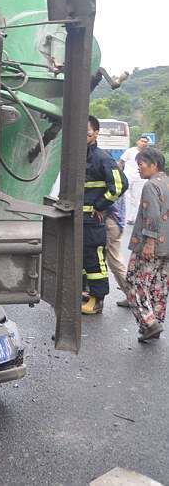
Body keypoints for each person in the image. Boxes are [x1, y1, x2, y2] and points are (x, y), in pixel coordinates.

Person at [82, 116, 129, 314]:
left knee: (95, 260)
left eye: (87, 132)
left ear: (96, 133)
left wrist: (100, 206)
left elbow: (120, 185)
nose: (83, 136)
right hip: (78, 220)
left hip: (93, 220)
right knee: (84, 260)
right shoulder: (78, 157)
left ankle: (97, 300)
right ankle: (86, 293)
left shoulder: (102, 158)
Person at [124, 148, 169, 342]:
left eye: (141, 164)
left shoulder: (151, 185)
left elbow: (152, 215)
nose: (139, 169)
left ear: (154, 164)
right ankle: (156, 320)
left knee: (134, 283)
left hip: (150, 245)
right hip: (166, 247)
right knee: (159, 285)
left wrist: (149, 242)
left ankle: (150, 324)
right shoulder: (167, 181)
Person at [104, 195, 133, 308]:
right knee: (114, 260)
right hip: (115, 221)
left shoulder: (112, 180)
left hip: (111, 221)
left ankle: (133, 296)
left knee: (114, 261)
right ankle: (132, 295)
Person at [119, 135, 150, 225]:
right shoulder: (130, 151)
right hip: (127, 177)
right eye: (142, 141)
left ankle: (132, 218)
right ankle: (123, 216)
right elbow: (121, 162)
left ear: (147, 143)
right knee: (124, 196)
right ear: (138, 142)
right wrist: (119, 174)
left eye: (145, 142)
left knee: (136, 199)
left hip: (140, 179)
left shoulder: (148, 154)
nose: (143, 143)